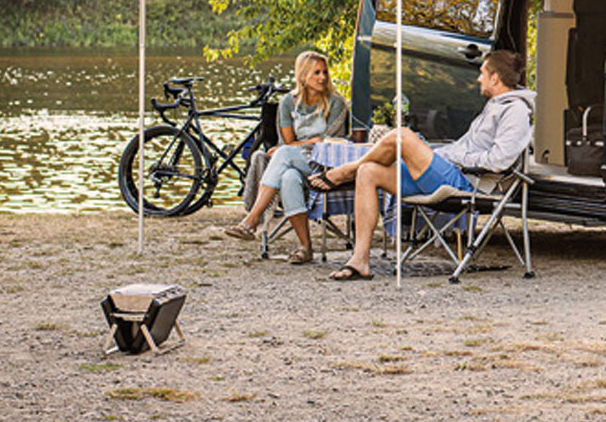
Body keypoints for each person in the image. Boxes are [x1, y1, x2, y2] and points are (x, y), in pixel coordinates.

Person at [310, 50, 533, 281]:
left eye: (482, 73)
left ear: (495, 78)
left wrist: (458, 156)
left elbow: (499, 160)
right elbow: (466, 147)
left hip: (468, 182)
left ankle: (345, 171)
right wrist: (446, 153)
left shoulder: (515, 111)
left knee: (402, 136)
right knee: (369, 171)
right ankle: (360, 260)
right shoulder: (494, 106)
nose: (479, 79)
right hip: (451, 170)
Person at [222, 50, 348, 263]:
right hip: (295, 162)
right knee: (288, 177)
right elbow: (287, 141)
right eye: (316, 72)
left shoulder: (336, 103)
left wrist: (297, 147)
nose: (323, 77)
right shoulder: (288, 103)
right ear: (302, 76)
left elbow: (328, 142)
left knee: (285, 154)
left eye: (325, 72)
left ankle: (251, 220)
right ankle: (305, 248)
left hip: (325, 166)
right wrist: (302, 144)